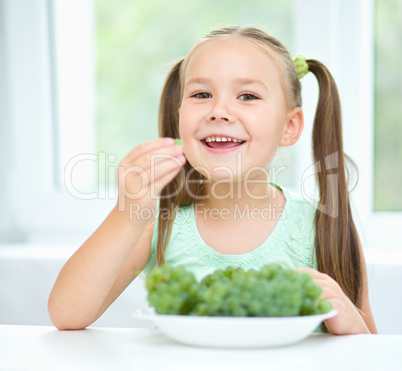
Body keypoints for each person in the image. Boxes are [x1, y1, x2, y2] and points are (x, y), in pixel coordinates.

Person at [48, 26, 377, 335]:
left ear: (289, 126)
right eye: (202, 94)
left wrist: (350, 322)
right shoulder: (157, 224)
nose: (219, 111)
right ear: (179, 118)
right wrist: (127, 211)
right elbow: (67, 314)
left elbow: (371, 351)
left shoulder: (321, 226)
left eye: (247, 96)